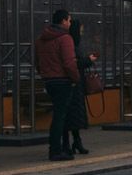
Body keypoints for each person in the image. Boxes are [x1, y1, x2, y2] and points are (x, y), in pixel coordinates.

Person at [35, 9, 79, 161]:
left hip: (49, 81)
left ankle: (61, 148)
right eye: (69, 20)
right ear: (63, 21)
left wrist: (45, 74)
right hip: (63, 80)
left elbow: (37, 61)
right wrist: (76, 78)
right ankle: (55, 150)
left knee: (58, 115)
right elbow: (69, 63)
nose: (70, 23)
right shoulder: (65, 38)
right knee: (60, 117)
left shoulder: (41, 39)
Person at [65, 19, 97, 154]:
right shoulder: (69, 43)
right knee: (70, 115)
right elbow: (73, 64)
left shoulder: (72, 43)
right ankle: (72, 143)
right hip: (72, 83)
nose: (82, 32)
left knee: (72, 115)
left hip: (76, 83)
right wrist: (88, 61)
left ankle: (75, 142)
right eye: (81, 30)